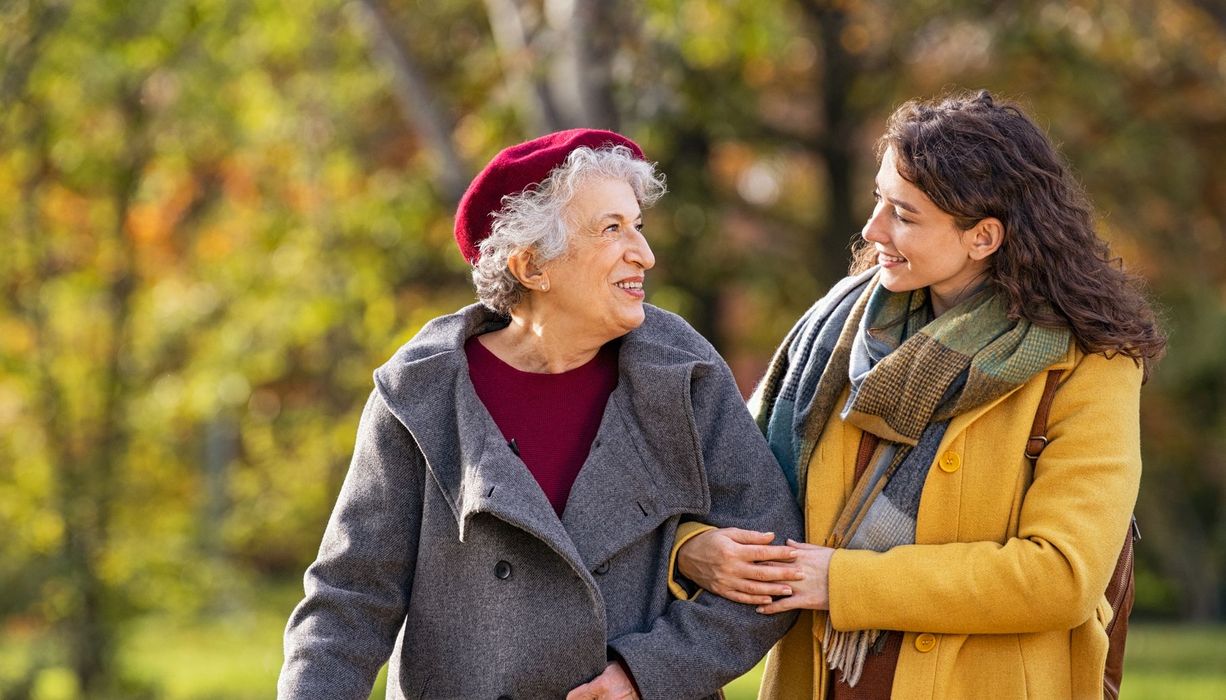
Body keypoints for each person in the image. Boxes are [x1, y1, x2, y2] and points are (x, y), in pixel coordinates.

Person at [278, 128, 803, 700]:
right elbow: (349, 603)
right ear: (532, 267)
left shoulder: (682, 372)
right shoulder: (421, 393)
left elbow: (770, 564)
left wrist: (646, 674)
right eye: (611, 230)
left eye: (638, 226)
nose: (644, 254)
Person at [673, 91, 1166, 699]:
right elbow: (723, 488)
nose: (872, 228)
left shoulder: (1087, 366)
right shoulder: (836, 339)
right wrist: (692, 548)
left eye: (903, 214)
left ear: (982, 237)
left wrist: (845, 583)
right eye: (879, 199)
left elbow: (1061, 575)